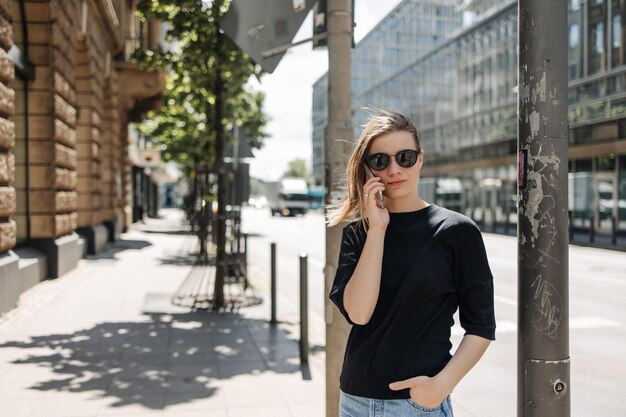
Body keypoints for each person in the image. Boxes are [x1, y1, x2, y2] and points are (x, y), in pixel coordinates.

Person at [327, 111, 496, 417]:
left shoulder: (457, 232)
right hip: (355, 402)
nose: (394, 169)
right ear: (368, 168)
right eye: (380, 160)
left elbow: (481, 326)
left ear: (420, 159)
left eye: (404, 157)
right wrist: (377, 230)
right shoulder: (359, 233)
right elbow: (359, 313)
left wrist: (441, 385)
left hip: (416, 406)